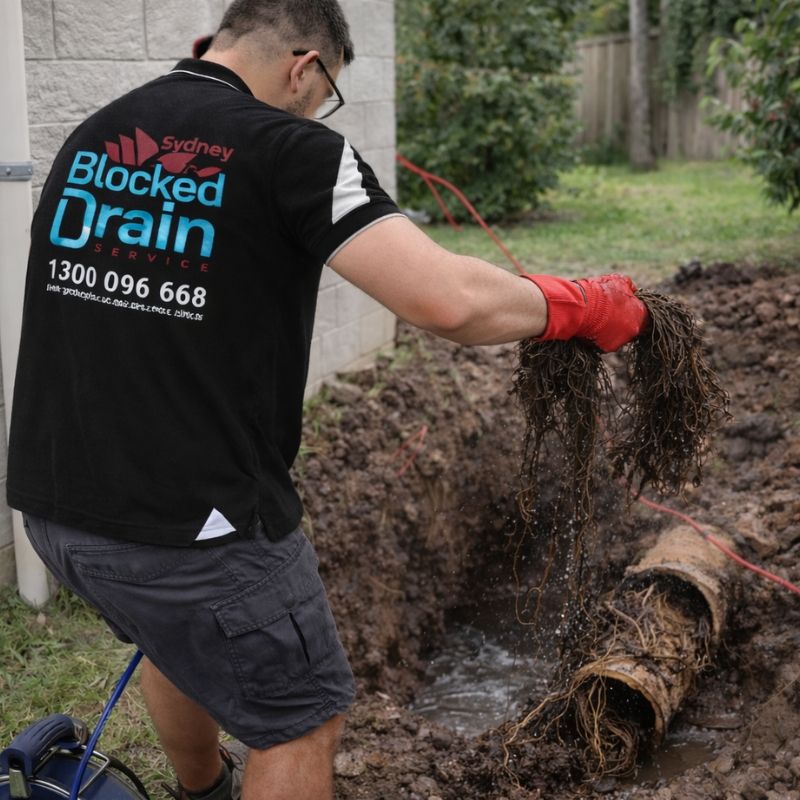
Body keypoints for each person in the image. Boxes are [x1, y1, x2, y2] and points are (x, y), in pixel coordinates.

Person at [6, 1, 649, 799]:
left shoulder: (99, 132)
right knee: (300, 719)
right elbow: (447, 301)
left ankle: (202, 792)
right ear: (304, 66)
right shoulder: (291, 149)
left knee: (179, 644)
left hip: (57, 507)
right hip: (195, 531)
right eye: (326, 91)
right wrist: (580, 305)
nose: (318, 108)